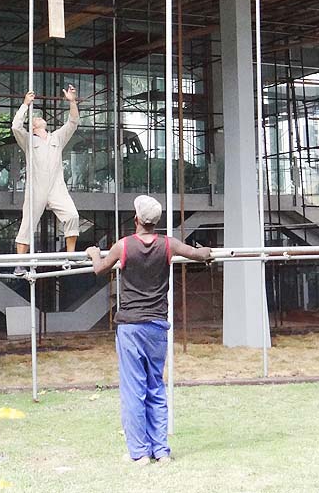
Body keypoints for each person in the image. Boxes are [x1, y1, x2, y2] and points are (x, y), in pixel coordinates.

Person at [86, 196, 212, 465]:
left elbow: (99, 269)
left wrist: (94, 252)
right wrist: (207, 252)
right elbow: (198, 255)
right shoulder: (169, 244)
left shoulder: (124, 246)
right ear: (156, 222)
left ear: (136, 220)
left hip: (131, 327)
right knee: (155, 386)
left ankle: (140, 452)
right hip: (156, 326)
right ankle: (161, 451)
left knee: (134, 390)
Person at [12, 86, 80, 257]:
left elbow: (73, 123)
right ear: (33, 126)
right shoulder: (28, 140)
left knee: (72, 215)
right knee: (27, 223)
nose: (39, 118)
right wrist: (25, 105)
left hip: (56, 185)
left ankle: (70, 256)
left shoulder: (56, 137)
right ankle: (20, 263)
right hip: (37, 187)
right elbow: (16, 127)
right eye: (36, 118)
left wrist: (72, 102)